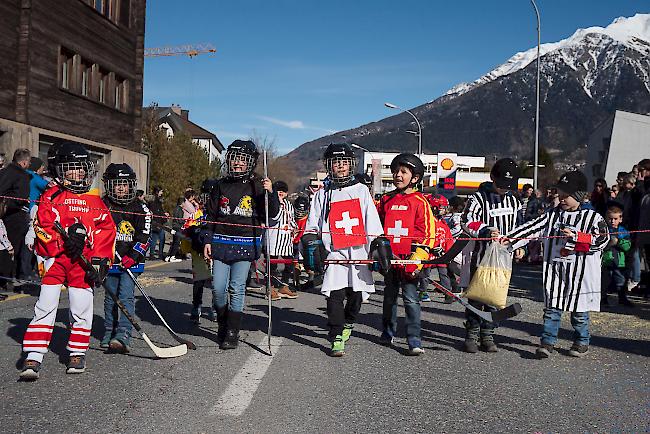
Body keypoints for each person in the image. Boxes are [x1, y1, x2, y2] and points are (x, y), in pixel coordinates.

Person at [19, 142, 115, 380]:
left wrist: (100, 262)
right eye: (72, 168)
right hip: (56, 260)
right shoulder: (50, 196)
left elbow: (106, 231)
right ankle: (34, 353)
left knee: (81, 306)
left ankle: (77, 351)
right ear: (59, 169)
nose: (79, 173)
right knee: (45, 305)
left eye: (82, 168)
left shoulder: (94, 200)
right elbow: (42, 227)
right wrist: (62, 243)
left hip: (81, 264)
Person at [503, 170, 609, 358]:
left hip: (580, 274)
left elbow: (602, 240)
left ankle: (581, 341)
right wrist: (510, 239)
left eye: (566, 195)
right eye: (559, 194)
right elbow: (532, 227)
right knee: (552, 308)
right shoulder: (552, 215)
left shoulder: (594, 218)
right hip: (555, 271)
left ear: (578, 196)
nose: (561, 199)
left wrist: (577, 237)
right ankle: (547, 342)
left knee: (579, 311)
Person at [303, 143, 386, 357]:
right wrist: (312, 240)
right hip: (334, 252)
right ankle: (337, 332)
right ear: (329, 166)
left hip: (358, 251)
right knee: (334, 294)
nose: (340, 166)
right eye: (336, 162)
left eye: (344, 162)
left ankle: (349, 321)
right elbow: (313, 222)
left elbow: (371, 221)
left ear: (351, 165)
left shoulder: (361, 191)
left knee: (356, 294)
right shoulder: (322, 194)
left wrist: (377, 243)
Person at [202, 140, 279, 350]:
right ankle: (223, 322)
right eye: (234, 158)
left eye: (242, 160)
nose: (237, 163)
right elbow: (210, 215)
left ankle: (233, 332)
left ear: (250, 162)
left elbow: (270, 213)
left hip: (245, 243)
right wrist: (207, 239)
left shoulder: (257, 185)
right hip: (220, 242)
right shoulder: (220, 185)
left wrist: (270, 193)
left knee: (237, 288)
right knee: (218, 288)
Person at [460, 158, 521, 353]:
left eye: (508, 186)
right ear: (492, 178)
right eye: (501, 185)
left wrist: (520, 246)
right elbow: (466, 221)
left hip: (503, 259)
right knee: (477, 296)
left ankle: (488, 334)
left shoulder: (514, 200)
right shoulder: (478, 198)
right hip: (481, 257)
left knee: (496, 298)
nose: (504, 189)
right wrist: (485, 230)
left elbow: (520, 226)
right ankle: (471, 333)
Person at [377, 153, 435, 355]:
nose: (397, 175)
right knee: (389, 298)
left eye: (403, 172)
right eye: (395, 172)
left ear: (415, 178)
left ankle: (414, 340)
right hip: (390, 260)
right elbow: (377, 228)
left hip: (410, 261)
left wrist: (416, 259)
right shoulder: (385, 200)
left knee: (410, 299)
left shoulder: (420, 201)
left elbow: (428, 234)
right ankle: (387, 332)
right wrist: (378, 253)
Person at [100, 163, 152, 353]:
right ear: (109, 185)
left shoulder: (140, 208)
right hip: (110, 259)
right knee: (110, 297)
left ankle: (123, 333)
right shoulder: (102, 205)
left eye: (125, 184)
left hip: (131, 262)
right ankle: (109, 330)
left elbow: (145, 235)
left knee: (126, 295)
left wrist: (133, 255)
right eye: (117, 184)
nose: (121, 188)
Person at [184, 179, 217, 324]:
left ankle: (217, 308)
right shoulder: (196, 213)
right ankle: (196, 306)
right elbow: (189, 229)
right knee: (199, 281)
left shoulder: (219, 213)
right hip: (199, 251)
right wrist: (193, 232)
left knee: (218, 282)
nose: (206, 198)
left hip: (217, 252)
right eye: (204, 195)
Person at [0, 148, 32, 281]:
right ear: (24, 162)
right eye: (29, 162)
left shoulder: (4, 171)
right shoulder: (22, 175)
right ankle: (7, 277)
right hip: (14, 216)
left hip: (2, 213)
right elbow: (21, 197)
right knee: (13, 247)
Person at [266, 180, 298, 299]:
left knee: (289, 263)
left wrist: (295, 228)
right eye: (278, 190)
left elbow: (291, 218)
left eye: (283, 191)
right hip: (274, 237)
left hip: (286, 239)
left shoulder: (289, 204)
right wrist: (277, 202)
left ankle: (284, 286)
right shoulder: (271, 202)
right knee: (272, 265)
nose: (281, 193)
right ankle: (270, 288)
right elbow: (275, 216)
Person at [600, 203, 633, 307]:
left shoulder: (624, 231)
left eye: (615, 219)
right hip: (606, 260)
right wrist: (608, 244)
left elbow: (627, 246)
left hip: (619, 260)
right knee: (605, 280)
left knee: (620, 279)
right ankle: (602, 298)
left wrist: (618, 242)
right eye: (610, 219)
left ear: (620, 219)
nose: (612, 221)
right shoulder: (603, 230)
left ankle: (622, 298)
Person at [147, 186, 168, 260]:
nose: (161, 193)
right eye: (161, 191)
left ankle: (153, 254)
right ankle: (159, 254)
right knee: (160, 238)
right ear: (157, 192)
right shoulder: (155, 201)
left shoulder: (152, 201)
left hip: (155, 221)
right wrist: (164, 215)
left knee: (155, 239)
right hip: (157, 222)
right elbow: (157, 211)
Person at [165, 197, 184, 262]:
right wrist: (184, 222)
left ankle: (169, 256)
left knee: (174, 242)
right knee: (176, 242)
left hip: (174, 226)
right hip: (178, 227)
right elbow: (179, 219)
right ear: (182, 203)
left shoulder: (175, 208)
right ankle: (172, 256)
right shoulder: (180, 209)